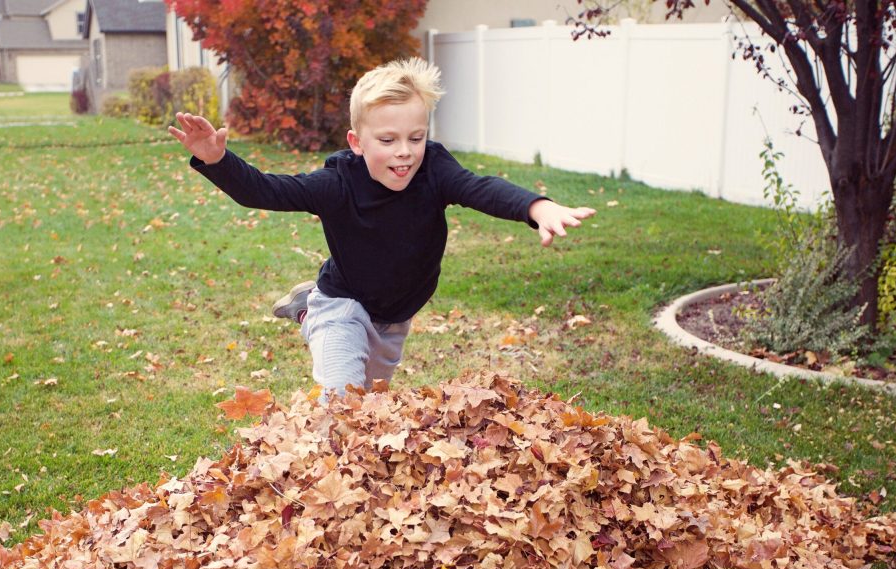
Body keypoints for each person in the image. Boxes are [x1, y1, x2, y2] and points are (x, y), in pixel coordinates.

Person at [169, 57, 595, 397]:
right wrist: (216, 160)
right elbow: (266, 191)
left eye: (416, 137)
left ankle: (302, 307)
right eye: (387, 141)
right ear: (357, 143)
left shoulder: (435, 170)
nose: (405, 152)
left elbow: (480, 188)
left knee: (372, 405)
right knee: (341, 399)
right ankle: (322, 474)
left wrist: (536, 207)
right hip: (343, 303)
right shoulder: (337, 183)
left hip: (394, 318)